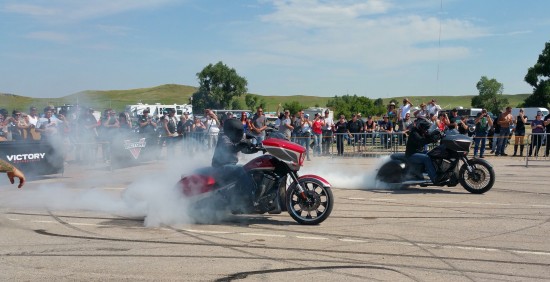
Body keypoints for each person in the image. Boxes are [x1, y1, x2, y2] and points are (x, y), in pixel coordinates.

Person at [211, 118, 259, 210]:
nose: (239, 133)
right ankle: (247, 198)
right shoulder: (224, 137)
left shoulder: (234, 139)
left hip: (230, 166)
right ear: (231, 130)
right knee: (243, 169)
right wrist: (244, 144)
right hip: (221, 166)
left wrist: (257, 148)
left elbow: (245, 150)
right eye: (237, 131)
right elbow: (231, 148)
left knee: (253, 168)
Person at [405, 119, 442, 184]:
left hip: (419, 152)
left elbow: (429, 136)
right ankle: (434, 177)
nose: (426, 129)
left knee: (433, 154)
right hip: (411, 154)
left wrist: (438, 135)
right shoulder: (414, 133)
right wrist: (431, 139)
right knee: (426, 158)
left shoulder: (421, 132)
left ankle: (434, 172)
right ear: (420, 127)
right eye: (425, 128)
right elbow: (421, 141)